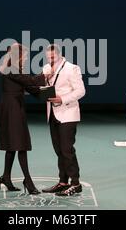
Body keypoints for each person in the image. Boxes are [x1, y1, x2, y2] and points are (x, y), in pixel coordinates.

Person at [0, 43, 46, 195]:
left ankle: (6, 177)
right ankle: (28, 181)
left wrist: (48, 96)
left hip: (14, 107)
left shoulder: (15, 69)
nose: (26, 59)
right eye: (24, 56)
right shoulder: (12, 68)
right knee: (21, 144)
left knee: (13, 144)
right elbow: (30, 82)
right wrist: (45, 74)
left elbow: (30, 88)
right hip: (12, 108)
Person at [41, 44, 86, 196]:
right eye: (48, 57)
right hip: (52, 114)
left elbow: (81, 91)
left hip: (68, 113)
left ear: (59, 55)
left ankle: (76, 183)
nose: (50, 59)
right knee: (59, 150)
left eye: (53, 57)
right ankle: (63, 181)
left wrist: (63, 99)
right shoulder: (46, 68)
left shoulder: (72, 68)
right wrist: (44, 79)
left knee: (67, 150)